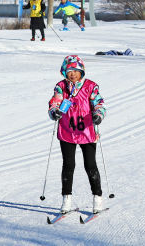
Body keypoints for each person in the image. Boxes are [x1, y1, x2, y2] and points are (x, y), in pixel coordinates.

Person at [48, 55, 106, 215]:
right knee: (68, 165)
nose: (72, 74)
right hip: (67, 131)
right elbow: (55, 101)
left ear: (81, 71)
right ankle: (66, 199)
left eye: (75, 70)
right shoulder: (61, 87)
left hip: (86, 131)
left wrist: (98, 115)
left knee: (90, 165)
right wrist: (54, 112)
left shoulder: (90, 86)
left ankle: (97, 197)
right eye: (69, 71)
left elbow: (98, 103)